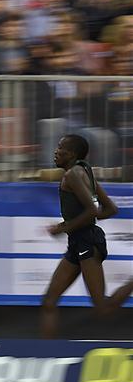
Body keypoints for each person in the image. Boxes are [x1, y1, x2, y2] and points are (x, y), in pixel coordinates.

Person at [41, 134, 133, 339]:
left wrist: (64, 227)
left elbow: (92, 210)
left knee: (103, 309)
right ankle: (46, 351)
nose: (56, 152)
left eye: (60, 148)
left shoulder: (72, 175)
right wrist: (76, 225)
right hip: (80, 241)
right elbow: (110, 209)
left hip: (86, 242)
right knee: (49, 302)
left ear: (72, 154)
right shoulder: (86, 172)